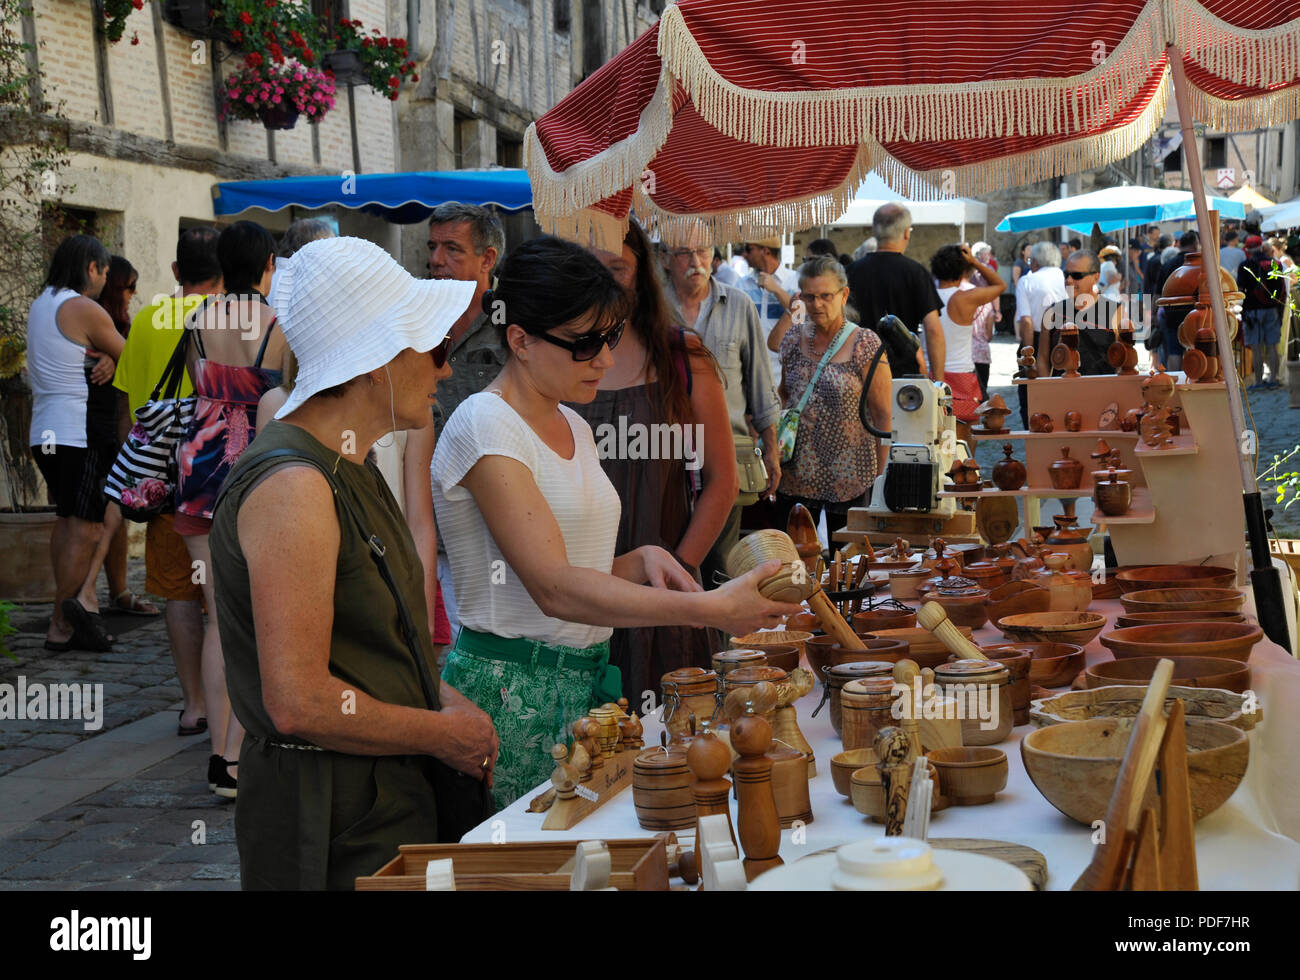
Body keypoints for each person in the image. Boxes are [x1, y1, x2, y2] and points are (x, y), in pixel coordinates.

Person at [432, 236, 801, 809]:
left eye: (609, 337)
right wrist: (709, 607)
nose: (605, 358)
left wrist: (638, 562)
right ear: (520, 340)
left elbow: (569, 566)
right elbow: (552, 587)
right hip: (512, 694)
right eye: (585, 344)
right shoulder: (485, 424)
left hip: (586, 685)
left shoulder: (572, 425)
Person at [208, 236, 498, 890]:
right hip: (328, 819)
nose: (445, 370)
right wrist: (438, 732)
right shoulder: (295, 487)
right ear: (375, 360)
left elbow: (372, 653)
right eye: (434, 349)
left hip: (376, 801)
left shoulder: (350, 463)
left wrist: (446, 707)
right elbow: (300, 701)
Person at [569, 219, 737, 703]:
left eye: (616, 268)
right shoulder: (556, 358)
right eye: (590, 267)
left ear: (642, 273)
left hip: (669, 587)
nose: (603, 281)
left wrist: (676, 575)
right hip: (579, 588)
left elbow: (721, 481)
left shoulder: (681, 355)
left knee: (676, 742)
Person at [176, 220, 292, 799]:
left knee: (216, 616)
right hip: (254, 474)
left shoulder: (197, 318)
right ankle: (237, 754)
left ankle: (219, 751)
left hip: (198, 471)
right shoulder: (278, 324)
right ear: (269, 263)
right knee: (248, 618)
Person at [111, 227, 220, 737]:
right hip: (217, 476)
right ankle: (231, 706)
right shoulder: (235, 320)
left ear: (175, 272)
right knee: (225, 597)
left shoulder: (150, 320)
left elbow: (132, 406)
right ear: (222, 274)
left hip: (162, 486)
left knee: (179, 594)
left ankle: (194, 705)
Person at [661, 225, 781, 590]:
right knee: (672, 561)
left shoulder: (739, 304)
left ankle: (724, 646)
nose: (695, 262)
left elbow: (760, 381)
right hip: (664, 456)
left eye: (703, 252)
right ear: (666, 260)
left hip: (727, 456)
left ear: (714, 256)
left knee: (721, 567)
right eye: (684, 252)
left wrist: (772, 450)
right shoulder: (650, 307)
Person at [27, 235, 124, 652]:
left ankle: (64, 617)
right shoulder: (83, 307)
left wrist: (107, 357)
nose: (105, 279)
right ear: (91, 268)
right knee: (87, 528)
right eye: (104, 271)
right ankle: (60, 622)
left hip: (43, 431)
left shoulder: (41, 304)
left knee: (66, 521)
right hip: (75, 433)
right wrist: (117, 357)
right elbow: (136, 356)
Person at [425, 203, 506, 641]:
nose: (437, 260)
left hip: (492, 516)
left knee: (487, 638)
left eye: (452, 249)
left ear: (487, 259)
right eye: (433, 247)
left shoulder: (512, 324)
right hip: (424, 515)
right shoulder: (416, 318)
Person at [774, 256, 893, 531]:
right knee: (794, 563)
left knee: (847, 563)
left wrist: (881, 479)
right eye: (810, 297)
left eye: (826, 295)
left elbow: (883, 415)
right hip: (795, 475)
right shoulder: (793, 339)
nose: (817, 305)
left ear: (844, 294)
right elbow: (783, 397)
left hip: (851, 476)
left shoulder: (864, 343)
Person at [74, 256, 157, 619]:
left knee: (115, 509)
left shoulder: (120, 327)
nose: (132, 295)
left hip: (113, 426)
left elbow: (128, 357)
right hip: (90, 426)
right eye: (128, 287)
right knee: (94, 512)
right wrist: (110, 354)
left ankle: (116, 591)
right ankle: (82, 593)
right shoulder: (90, 317)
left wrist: (114, 353)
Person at [845, 203, 944, 380]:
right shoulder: (916, 273)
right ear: (907, 232)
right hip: (904, 376)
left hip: (858, 369)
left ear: (874, 231)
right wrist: (938, 382)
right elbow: (933, 330)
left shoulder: (850, 272)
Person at [931, 245, 1005, 421]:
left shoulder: (925, 294)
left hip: (930, 371)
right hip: (961, 371)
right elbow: (1000, 285)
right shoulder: (966, 298)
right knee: (965, 435)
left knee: (934, 434)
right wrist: (974, 261)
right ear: (962, 271)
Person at [1041, 249, 1124, 376]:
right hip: (1062, 391)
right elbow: (1042, 360)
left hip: (1103, 391)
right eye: (1066, 274)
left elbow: (1124, 360)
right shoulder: (1052, 313)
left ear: (1095, 277)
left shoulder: (1115, 312)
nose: (1068, 280)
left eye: (1076, 276)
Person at [1014, 241, 1067, 426]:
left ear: (1035, 262)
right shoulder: (1063, 275)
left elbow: (1026, 322)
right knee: (1063, 390)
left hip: (1036, 339)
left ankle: (1035, 429)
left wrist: (1029, 356)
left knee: (1030, 396)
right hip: (1064, 338)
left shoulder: (1027, 281)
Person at [738, 235, 800, 385]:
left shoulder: (795, 280)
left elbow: (801, 316)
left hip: (786, 371)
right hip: (752, 369)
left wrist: (777, 290)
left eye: (749, 249)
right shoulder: (742, 284)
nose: (744, 254)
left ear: (765, 251)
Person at [1238, 237, 1287, 389]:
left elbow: (1240, 291)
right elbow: (1282, 290)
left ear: (1247, 249)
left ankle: (1258, 381)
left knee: (1256, 347)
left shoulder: (1244, 265)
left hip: (1252, 311)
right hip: (1272, 310)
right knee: (1272, 346)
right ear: (1262, 247)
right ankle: (1273, 378)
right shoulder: (1275, 264)